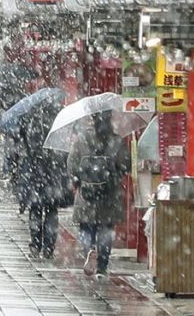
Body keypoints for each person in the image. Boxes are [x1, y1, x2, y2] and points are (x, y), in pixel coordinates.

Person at [67, 111, 131, 278]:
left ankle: (89, 250)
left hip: (87, 193)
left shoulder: (81, 140)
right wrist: (114, 175)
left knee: (86, 228)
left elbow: (72, 165)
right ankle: (102, 266)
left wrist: (80, 179)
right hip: (109, 194)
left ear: (92, 119)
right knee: (106, 229)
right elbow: (126, 166)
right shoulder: (117, 141)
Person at [17, 106, 73, 259]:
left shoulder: (34, 126)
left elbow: (28, 148)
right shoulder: (58, 128)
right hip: (53, 178)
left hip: (37, 176)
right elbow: (64, 155)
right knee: (51, 212)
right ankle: (49, 245)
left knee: (36, 210)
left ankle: (36, 243)